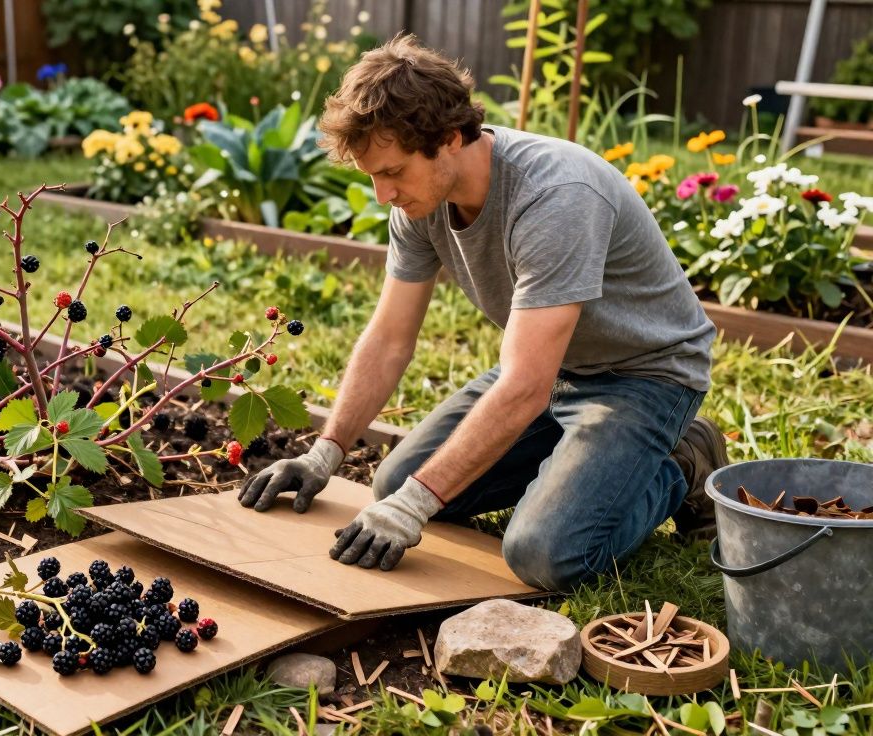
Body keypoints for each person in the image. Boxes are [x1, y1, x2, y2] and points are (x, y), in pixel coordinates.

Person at [237, 35, 729, 590]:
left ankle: (682, 465)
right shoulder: (420, 202)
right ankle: (576, 464)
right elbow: (390, 338)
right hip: (553, 369)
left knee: (544, 555)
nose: (382, 194)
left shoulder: (555, 196)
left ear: (449, 139)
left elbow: (522, 386)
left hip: (643, 377)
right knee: (393, 482)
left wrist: (416, 505)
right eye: (372, 175)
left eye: (393, 172)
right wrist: (325, 454)